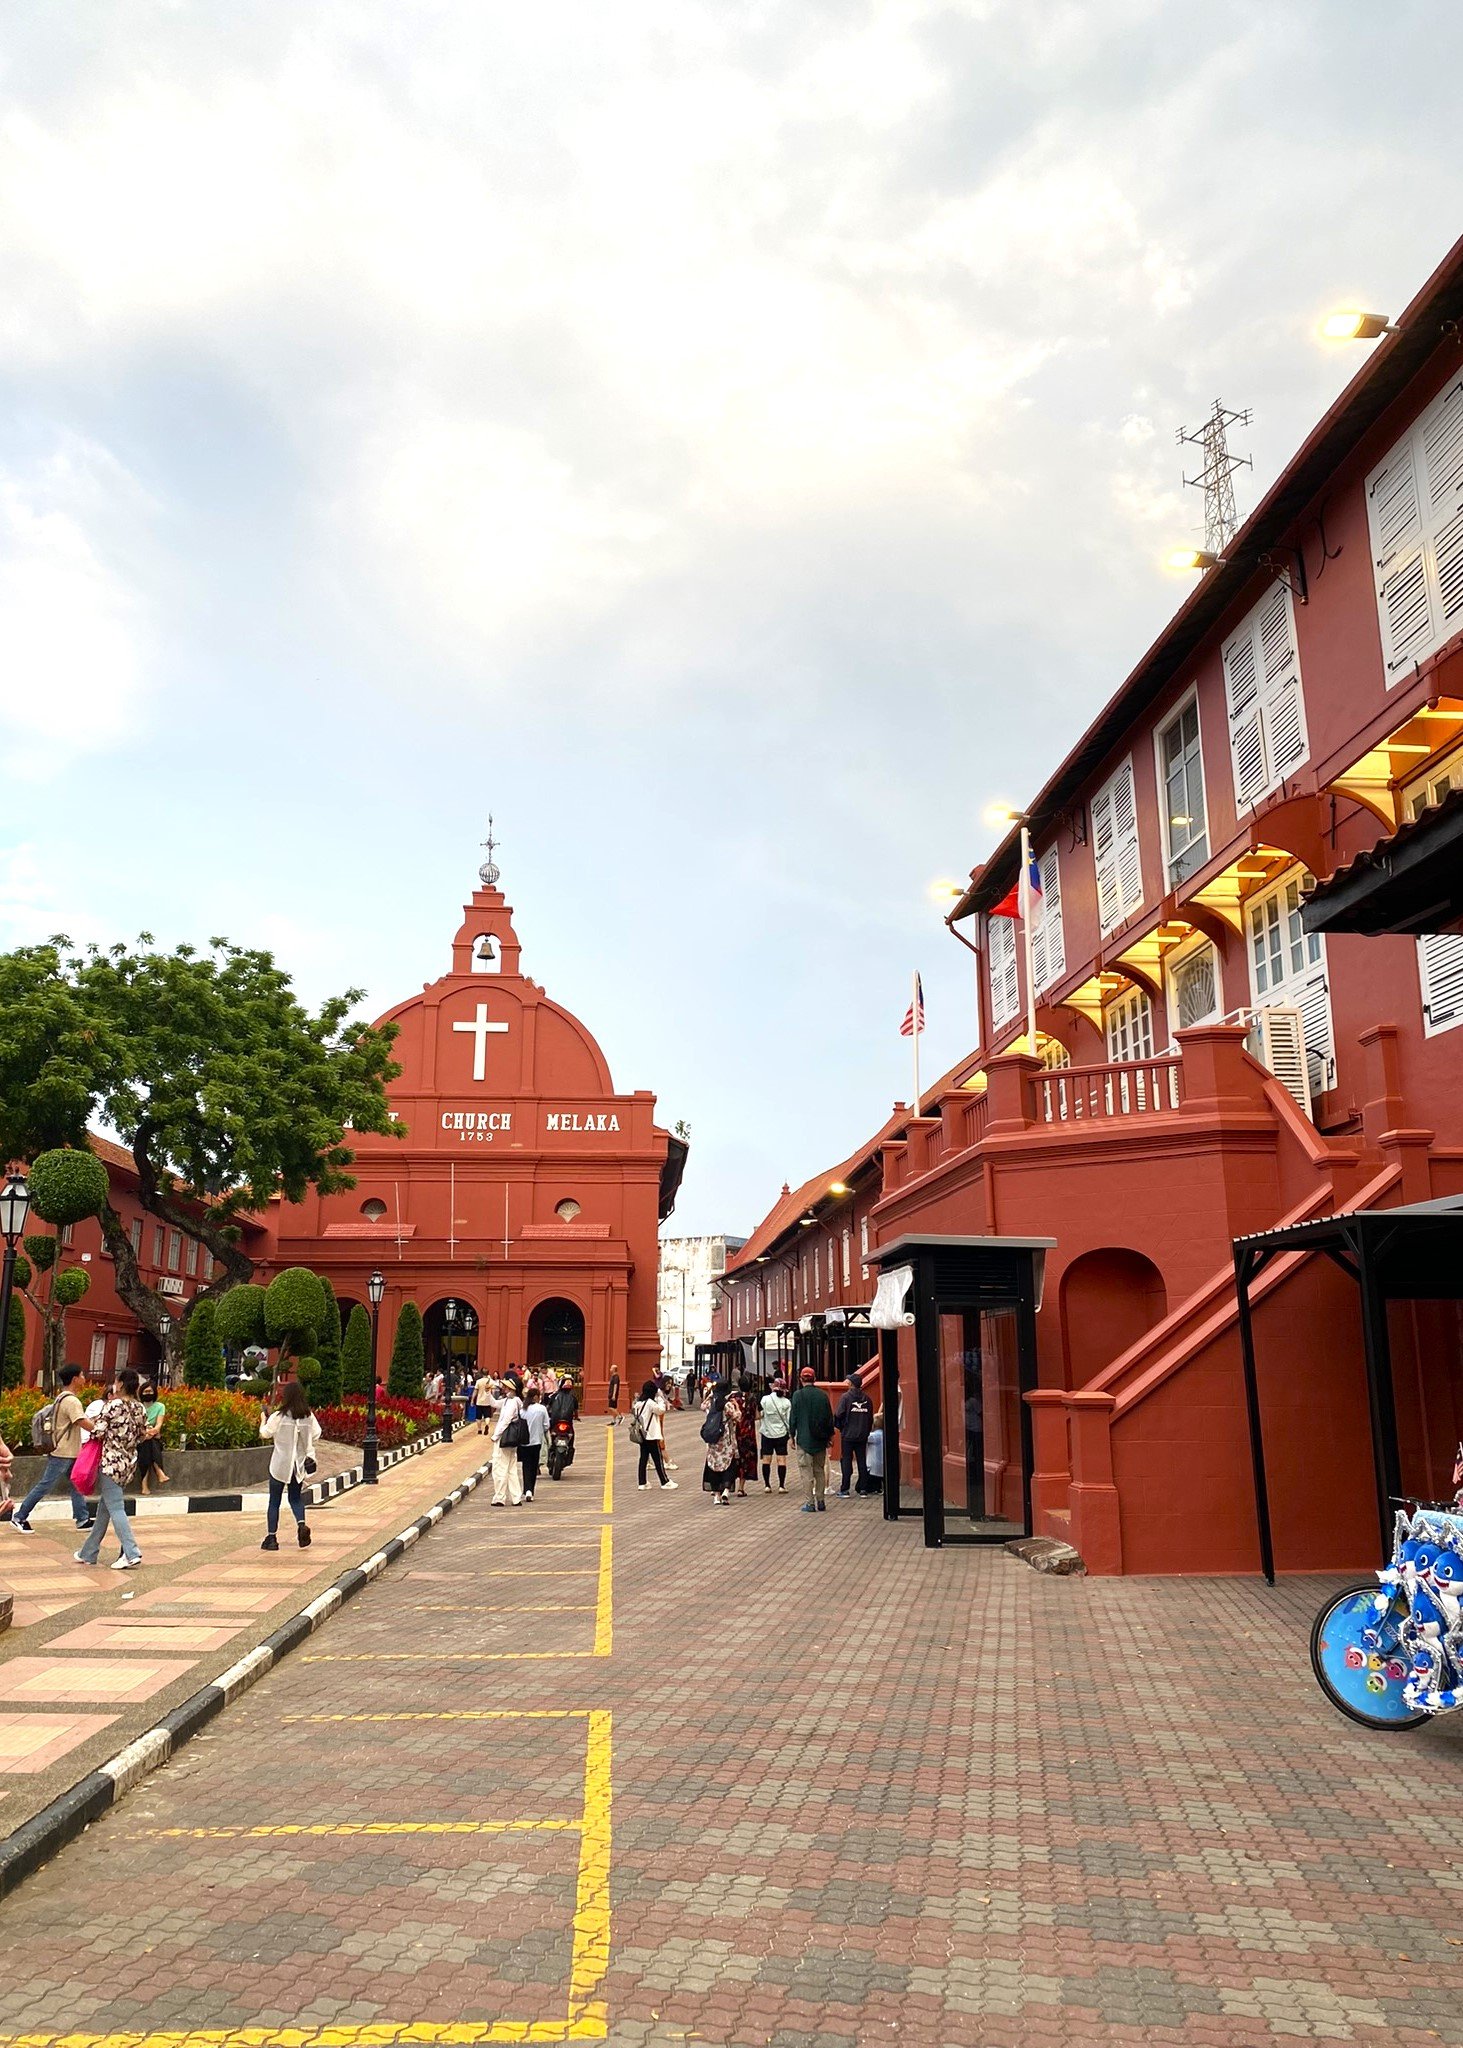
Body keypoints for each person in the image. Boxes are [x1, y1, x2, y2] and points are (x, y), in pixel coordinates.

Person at [74, 1368, 150, 1570]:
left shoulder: (113, 1405)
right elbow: (143, 1435)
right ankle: (88, 1552)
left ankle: (131, 1552)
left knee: (115, 1508)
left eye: (116, 1381)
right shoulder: (140, 1408)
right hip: (128, 1464)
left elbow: (98, 1431)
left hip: (110, 1463)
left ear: (121, 1384)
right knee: (105, 1509)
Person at [11, 1363, 92, 1535]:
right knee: (45, 1485)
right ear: (75, 1379)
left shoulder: (61, 1397)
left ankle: (82, 1519)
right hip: (63, 1452)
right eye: (82, 1375)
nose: (84, 1378)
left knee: (76, 1484)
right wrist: (100, 1429)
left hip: (68, 1451)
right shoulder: (71, 1400)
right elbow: (81, 1421)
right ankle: (19, 1516)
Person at [258, 1378, 321, 1550]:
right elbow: (317, 1434)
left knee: (274, 1501)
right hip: (298, 1466)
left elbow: (265, 1433)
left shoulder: (278, 1416)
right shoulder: (308, 1416)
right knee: (295, 1498)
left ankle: (272, 1538)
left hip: (280, 1464)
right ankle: (301, 1525)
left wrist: (263, 1419)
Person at [788, 1364, 835, 1514]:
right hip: (820, 1440)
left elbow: (793, 1418)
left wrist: (791, 1436)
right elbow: (829, 1418)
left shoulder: (797, 1395)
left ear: (801, 1379)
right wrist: (830, 1436)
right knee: (819, 1470)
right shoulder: (822, 1395)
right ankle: (821, 1501)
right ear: (814, 1379)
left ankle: (810, 1503)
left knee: (806, 1472)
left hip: (804, 1439)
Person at [833, 1370, 875, 1497]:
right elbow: (870, 1418)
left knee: (846, 1460)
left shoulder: (845, 1397)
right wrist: (866, 1431)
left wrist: (841, 1427)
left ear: (851, 1384)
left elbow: (838, 1414)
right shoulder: (867, 1399)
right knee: (862, 1461)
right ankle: (863, 1489)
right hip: (862, 1434)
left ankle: (845, 1489)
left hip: (848, 1434)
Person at [631, 1378, 678, 1491]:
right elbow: (661, 1410)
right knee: (658, 1459)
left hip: (642, 1434)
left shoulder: (638, 1404)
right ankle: (664, 1481)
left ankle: (642, 1482)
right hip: (651, 1435)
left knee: (643, 1458)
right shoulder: (650, 1403)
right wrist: (660, 1399)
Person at [490, 1372, 527, 1506]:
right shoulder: (510, 1401)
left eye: (507, 1387)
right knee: (511, 1469)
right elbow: (494, 1403)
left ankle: (499, 1497)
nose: (504, 1388)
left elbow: (506, 1420)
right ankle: (516, 1498)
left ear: (512, 1389)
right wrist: (487, 1392)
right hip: (511, 1439)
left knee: (500, 1468)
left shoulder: (512, 1402)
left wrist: (496, 1435)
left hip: (504, 1438)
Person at [700, 1381, 737, 1505]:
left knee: (714, 1465)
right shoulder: (727, 1404)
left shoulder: (710, 1403)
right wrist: (736, 1407)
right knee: (728, 1464)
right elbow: (737, 1417)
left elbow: (702, 1406)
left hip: (713, 1439)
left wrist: (709, 1396)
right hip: (725, 1439)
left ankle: (716, 1495)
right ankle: (726, 1490)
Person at [134, 1380, 171, 1494]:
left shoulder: (160, 1406)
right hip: (140, 1437)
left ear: (154, 1392)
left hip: (153, 1436)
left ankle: (144, 1485)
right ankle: (159, 1471)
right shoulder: (138, 1406)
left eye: (150, 1391)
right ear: (141, 1393)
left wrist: (150, 1433)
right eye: (145, 1391)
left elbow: (158, 1425)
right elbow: (135, 1425)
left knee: (148, 1445)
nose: (148, 1393)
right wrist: (145, 1434)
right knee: (147, 1444)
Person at [758, 1379, 792, 1492]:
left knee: (766, 1459)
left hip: (767, 1433)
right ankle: (781, 1486)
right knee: (781, 1459)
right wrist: (791, 1434)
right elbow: (788, 1419)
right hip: (781, 1434)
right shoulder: (786, 1402)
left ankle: (767, 1485)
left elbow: (760, 1414)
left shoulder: (765, 1399)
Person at [520, 1384, 550, 1501]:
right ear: (536, 1397)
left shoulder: (523, 1409)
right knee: (533, 1467)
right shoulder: (541, 1408)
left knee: (526, 1466)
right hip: (536, 1442)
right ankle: (530, 1491)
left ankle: (526, 1490)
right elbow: (546, 1425)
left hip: (523, 1442)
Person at [731, 1382, 758, 1498]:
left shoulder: (733, 1397)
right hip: (748, 1433)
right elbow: (757, 1416)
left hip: (735, 1432)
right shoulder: (752, 1398)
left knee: (733, 1459)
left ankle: (727, 1485)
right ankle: (741, 1488)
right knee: (746, 1460)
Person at [473, 1368, 494, 1434]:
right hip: (487, 1401)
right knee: (487, 1416)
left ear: (481, 1373)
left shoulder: (478, 1381)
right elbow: (493, 1391)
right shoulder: (491, 1381)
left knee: (478, 1417)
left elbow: (475, 1391)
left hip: (479, 1401)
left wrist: (472, 1400)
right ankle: (487, 1424)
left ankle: (479, 1429)